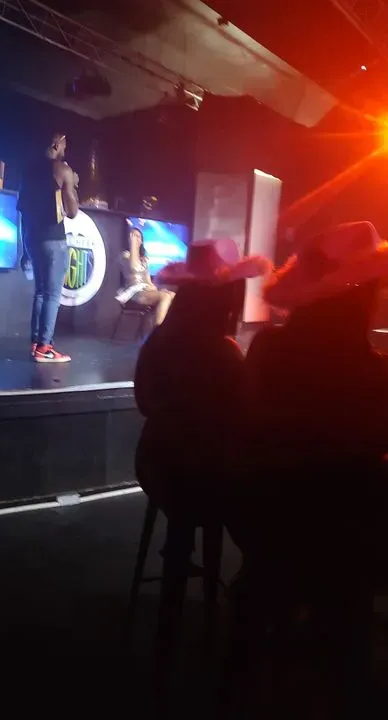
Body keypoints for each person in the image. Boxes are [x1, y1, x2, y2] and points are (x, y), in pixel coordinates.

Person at [225, 222, 388, 714]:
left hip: (258, 523)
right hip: (338, 544)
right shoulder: (375, 372)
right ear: (361, 297)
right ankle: (342, 669)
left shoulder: (267, 349)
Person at [134, 238, 271, 520]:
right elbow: (246, 419)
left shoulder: (159, 339)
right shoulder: (223, 353)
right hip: (203, 479)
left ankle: (177, 541)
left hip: (154, 464)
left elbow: (144, 402)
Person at [17, 133, 79, 363]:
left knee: (41, 292)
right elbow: (72, 212)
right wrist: (72, 184)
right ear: (57, 143)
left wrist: (25, 248)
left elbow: (22, 212)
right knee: (52, 294)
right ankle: (45, 347)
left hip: (32, 238)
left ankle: (36, 343)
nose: (65, 149)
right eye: (64, 144)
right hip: (53, 239)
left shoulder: (28, 172)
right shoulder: (62, 169)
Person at [116, 228, 175, 326]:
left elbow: (148, 280)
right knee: (164, 296)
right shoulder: (125, 255)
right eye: (133, 236)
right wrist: (133, 246)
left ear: (141, 241)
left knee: (172, 295)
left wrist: (155, 288)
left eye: (138, 237)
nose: (135, 238)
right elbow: (135, 268)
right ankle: (158, 330)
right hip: (133, 292)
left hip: (146, 290)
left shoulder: (144, 259)